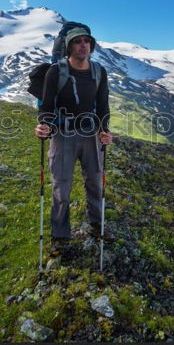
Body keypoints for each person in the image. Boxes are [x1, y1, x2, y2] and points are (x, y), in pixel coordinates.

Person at [34, 26, 113, 256]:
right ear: (69, 46)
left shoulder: (99, 72)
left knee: (96, 184)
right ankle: (60, 236)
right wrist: (44, 126)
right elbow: (47, 106)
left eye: (86, 41)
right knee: (61, 187)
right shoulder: (55, 72)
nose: (83, 45)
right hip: (62, 134)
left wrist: (104, 130)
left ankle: (97, 226)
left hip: (91, 135)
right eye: (77, 41)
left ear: (91, 45)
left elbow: (103, 105)